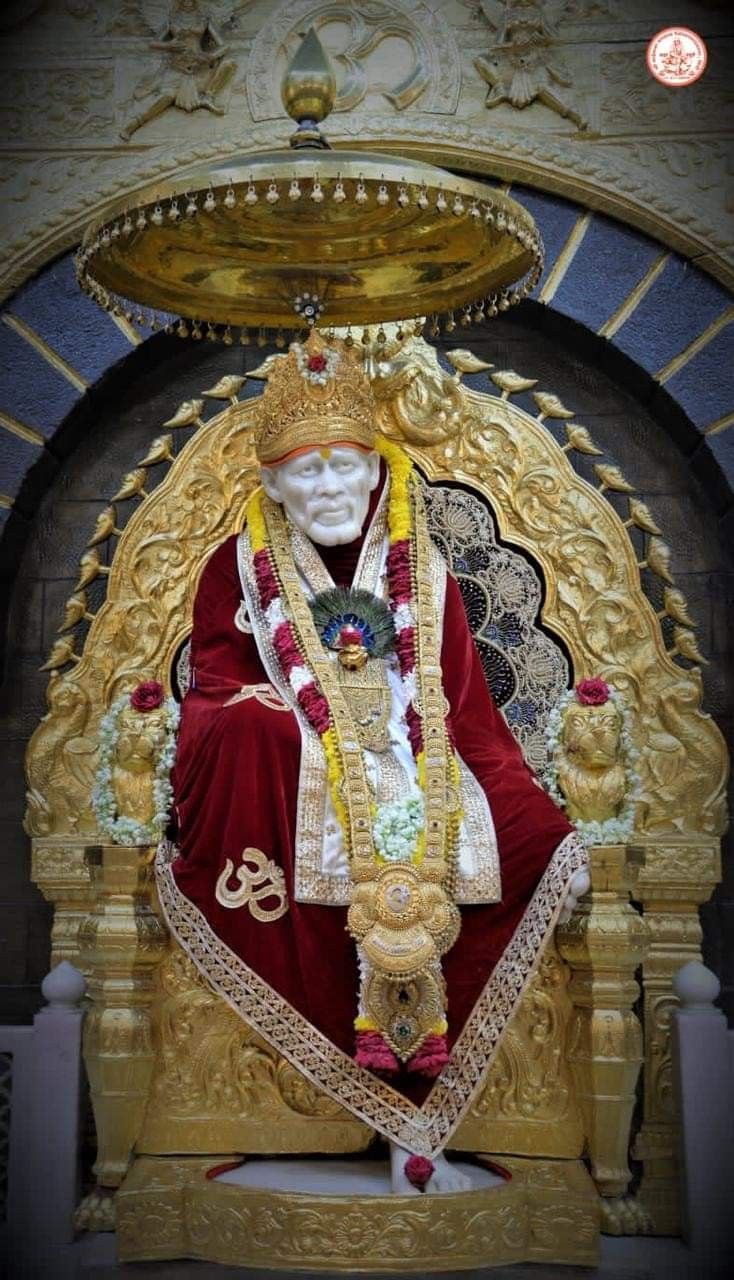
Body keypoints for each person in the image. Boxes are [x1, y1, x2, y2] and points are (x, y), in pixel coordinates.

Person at [155, 330, 589, 1194]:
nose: (329, 487)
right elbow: (214, 699)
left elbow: (470, 717)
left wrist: (542, 821)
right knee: (254, 735)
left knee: (525, 837)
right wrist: (317, 736)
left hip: (425, 767)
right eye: (307, 472)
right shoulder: (232, 572)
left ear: (376, 470)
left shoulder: (420, 572)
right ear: (273, 484)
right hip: (299, 781)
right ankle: (331, 1106)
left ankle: (429, 1115)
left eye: (344, 467)